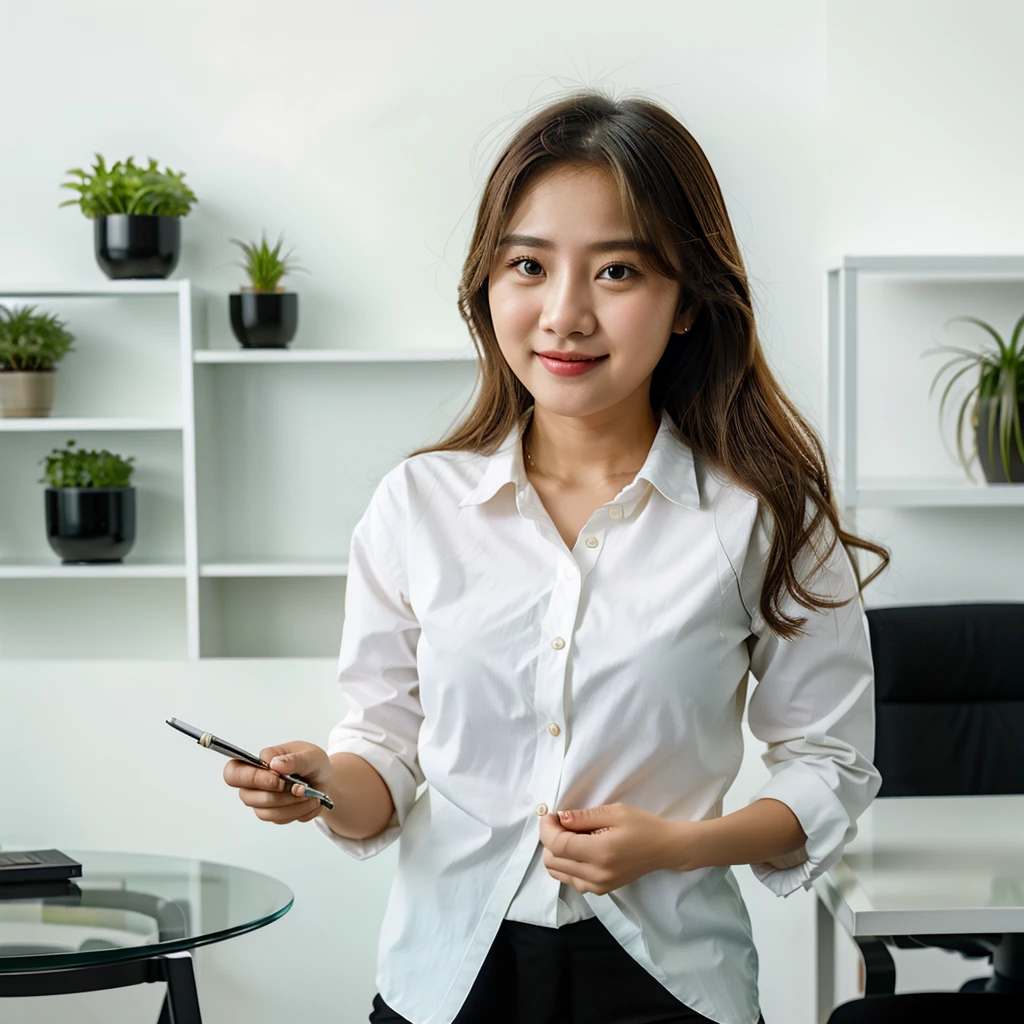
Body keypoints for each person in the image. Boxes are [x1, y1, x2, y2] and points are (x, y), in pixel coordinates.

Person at [223, 87, 891, 1024]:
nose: (564, 314)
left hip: (669, 985)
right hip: (444, 979)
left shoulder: (762, 515)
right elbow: (384, 759)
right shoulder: (417, 506)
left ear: (689, 301)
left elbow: (829, 765)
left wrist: (673, 845)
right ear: (487, 286)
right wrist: (324, 785)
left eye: (617, 272)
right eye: (528, 265)